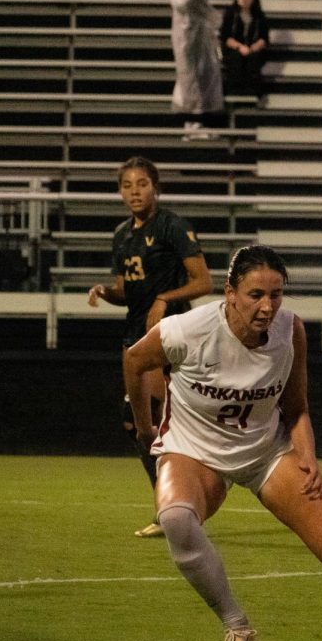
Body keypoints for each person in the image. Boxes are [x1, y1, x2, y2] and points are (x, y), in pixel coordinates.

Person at [124, 245, 322, 641]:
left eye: (276, 295)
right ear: (229, 293)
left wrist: (308, 456)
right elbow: (134, 359)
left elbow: (296, 406)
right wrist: (144, 427)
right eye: (255, 295)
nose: (267, 306)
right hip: (194, 451)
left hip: (266, 453)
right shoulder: (187, 330)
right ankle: (236, 626)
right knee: (175, 518)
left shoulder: (290, 331)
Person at [87, 157, 212, 538]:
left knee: (158, 422)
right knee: (137, 426)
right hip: (135, 338)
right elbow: (127, 291)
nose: (135, 191)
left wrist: (162, 299)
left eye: (142, 184)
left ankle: (175, 507)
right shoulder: (122, 234)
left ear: (155, 187)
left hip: (171, 337)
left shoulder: (172, 226)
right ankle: (169, 504)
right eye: (127, 185)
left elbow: (203, 281)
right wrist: (106, 292)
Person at [170, 0, 223, 139]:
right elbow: (211, 16)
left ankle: (192, 124)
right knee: (196, 83)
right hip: (193, 45)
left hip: (185, 43)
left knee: (190, 83)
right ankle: (194, 125)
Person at [220, 0, 271, 98]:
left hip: (252, 49)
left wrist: (252, 48)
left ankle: (254, 93)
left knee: (253, 59)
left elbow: (264, 39)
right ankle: (233, 91)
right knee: (236, 58)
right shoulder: (230, 13)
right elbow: (225, 36)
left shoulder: (259, 16)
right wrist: (239, 47)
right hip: (234, 48)